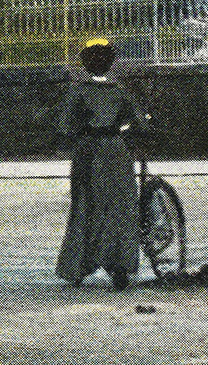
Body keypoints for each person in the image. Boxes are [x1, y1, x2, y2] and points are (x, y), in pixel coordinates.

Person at [55, 39, 148, 288]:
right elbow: (141, 123)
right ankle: (118, 263)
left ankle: (80, 265)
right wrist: (122, 128)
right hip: (114, 151)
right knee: (117, 207)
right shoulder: (119, 90)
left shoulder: (79, 91)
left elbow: (64, 126)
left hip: (90, 151)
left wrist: (83, 129)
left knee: (88, 206)